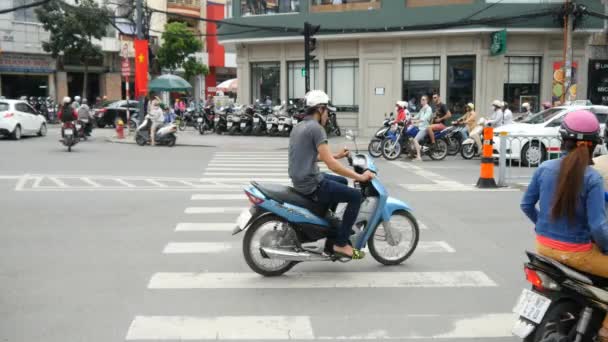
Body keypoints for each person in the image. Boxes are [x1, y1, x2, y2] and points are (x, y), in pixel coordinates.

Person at [521, 109, 608, 342]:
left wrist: (544, 227)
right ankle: (605, 332)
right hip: (576, 255)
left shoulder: (544, 168)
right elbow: (599, 227)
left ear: (563, 140)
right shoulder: (592, 178)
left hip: (543, 249)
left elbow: (526, 205)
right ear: (594, 145)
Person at [288, 90, 374, 260]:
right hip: (311, 184)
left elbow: (315, 156)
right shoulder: (316, 129)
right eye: (327, 111)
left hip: (301, 180)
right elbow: (332, 165)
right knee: (355, 196)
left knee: (341, 181)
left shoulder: (299, 126)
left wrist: (337, 155)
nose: (328, 115)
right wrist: (360, 177)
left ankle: (326, 226)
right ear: (320, 109)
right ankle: (341, 244)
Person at [412, 95, 433, 161]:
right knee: (411, 137)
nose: (422, 101)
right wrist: (410, 118)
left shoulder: (428, 109)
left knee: (415, 140)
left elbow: (424, 118)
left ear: (427, 101)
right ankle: (417, 149)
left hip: (425, 128)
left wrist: (416, 121)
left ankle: (419, 157)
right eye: (421, 99)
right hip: (420, 127)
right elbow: (418, 115)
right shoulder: (422, 108)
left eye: (423, 99)